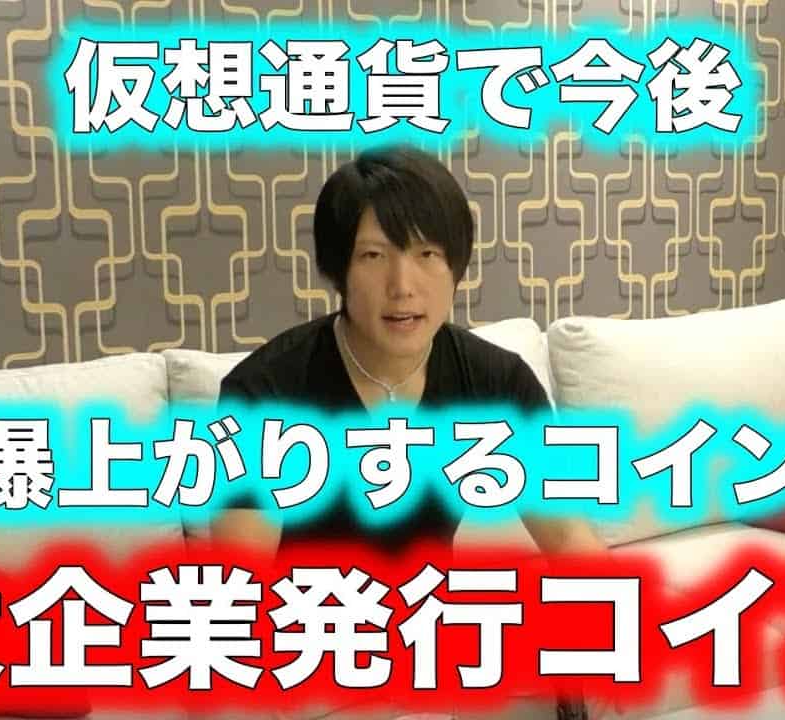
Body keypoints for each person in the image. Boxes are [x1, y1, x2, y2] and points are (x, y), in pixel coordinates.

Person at [212, 145, 605, 719]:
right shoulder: (265, 394)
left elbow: (569, 540)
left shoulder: (496, 383)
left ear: (456, 267)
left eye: (427, 254)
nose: (403, 285)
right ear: (339, 271)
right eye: (374, 256)